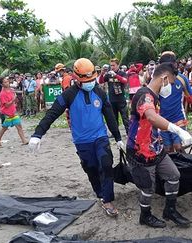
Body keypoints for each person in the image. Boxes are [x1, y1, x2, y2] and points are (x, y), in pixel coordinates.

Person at [29, 58, 124, 217]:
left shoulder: (99, 92)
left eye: (92, 79)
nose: (90, 83)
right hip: (82, 141)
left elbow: (110, 116)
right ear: (76, 78)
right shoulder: (69, 95)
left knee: (106, 164)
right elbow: (52, 114)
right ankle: (100, 193)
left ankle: (108, 199)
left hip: (100, 136)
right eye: (86, 80)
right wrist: (38, 134)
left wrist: (118, 137)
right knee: (91, 168)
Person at [126, 62, 192, 228]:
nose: (170, 87)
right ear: (163, 78)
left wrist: (173, 126)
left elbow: (154, 122)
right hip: (139, 151)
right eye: (170, 83)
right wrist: (178, 130)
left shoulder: (154, 97)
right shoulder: (145, 95)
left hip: (155, 148)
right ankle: (145, 215)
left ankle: (169, 210)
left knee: (173, 175)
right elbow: (151, 117)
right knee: (148, 188)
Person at [158, 51, 192, 153]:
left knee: (178, 147)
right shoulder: (157, 80)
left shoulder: (182, 79)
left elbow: (191, 98)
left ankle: (183, 167)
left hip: (178, 118)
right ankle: (173, 168)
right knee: (167, 149)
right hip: (163, 120)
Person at [0, 77, 29, 148]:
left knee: (19, 126)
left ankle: (24, 140)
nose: (7, 83)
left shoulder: (11, 90)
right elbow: (6, 105)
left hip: (13, 112)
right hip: (6, 114)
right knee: (4, 128)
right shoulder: (2, 94)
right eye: (5, 82)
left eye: (7, 81)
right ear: (2, 84)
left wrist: (14, 101)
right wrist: (13, 100)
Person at [102, 58, 129, 134]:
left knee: (125, 117)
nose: (112, 67)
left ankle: (128, 132)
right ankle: (116, 134)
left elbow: (125, 81)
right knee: (114, 118)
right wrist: (102, 73)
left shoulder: (122, 73)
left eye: (114, 65)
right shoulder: (109, 74)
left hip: (121, 99)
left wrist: (116, 75)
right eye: (111, 65)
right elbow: (101, 81)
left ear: (118, 65)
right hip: (112, 99)